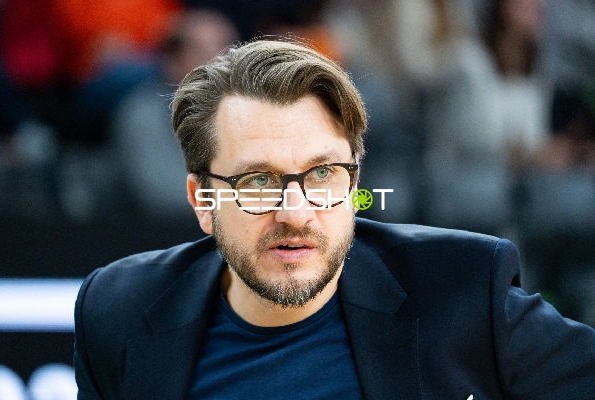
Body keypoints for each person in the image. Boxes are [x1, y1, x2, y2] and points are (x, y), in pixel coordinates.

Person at [73, 40, 595, 399]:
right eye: (258, 181)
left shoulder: (461, 292)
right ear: (203, 201)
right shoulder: (119, 311)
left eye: (322, 174)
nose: (295, 212)